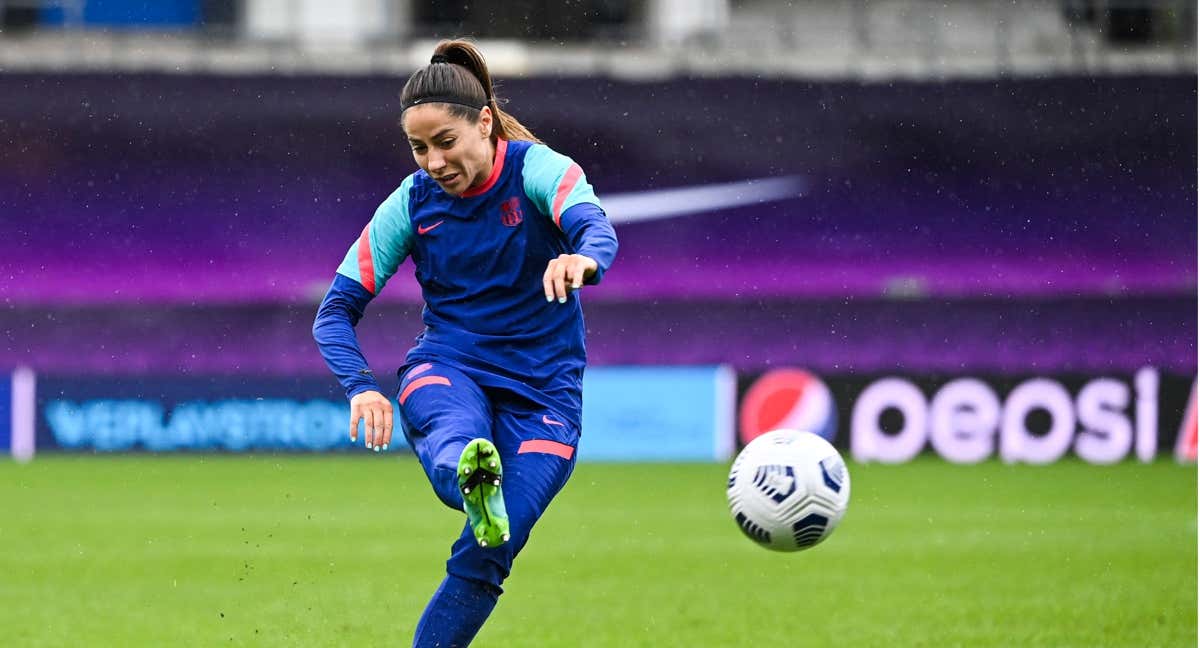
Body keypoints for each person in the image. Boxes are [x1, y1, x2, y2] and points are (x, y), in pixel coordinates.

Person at [312, 39, 618, 647]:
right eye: (418, 148)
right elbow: (335, 312)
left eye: (444, 143)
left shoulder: (540, 169)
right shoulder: (410, 202)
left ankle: (482, 487)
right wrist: (361, 388)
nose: (432, 161)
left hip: (546, 396)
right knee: (458, 437)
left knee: (490, 549)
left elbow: (593, 225)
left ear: (484, 123)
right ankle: (470, 472)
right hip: (450, 365)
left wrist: (583, 260)